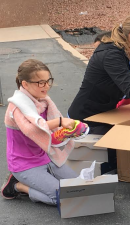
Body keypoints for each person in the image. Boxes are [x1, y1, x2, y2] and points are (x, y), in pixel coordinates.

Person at [0, 59, 87, 205]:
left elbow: (51, 134)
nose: (46, 86)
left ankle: (36, 182)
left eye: (48, 81)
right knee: (63, 198)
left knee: (80, 188)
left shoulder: (43, 101)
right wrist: (60, 121)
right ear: (25, 84)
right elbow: (33, 129)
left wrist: (71, 131)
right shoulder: (16, 106)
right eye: (40, 82)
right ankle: (17, 186)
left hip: (46, 157)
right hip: (24, 164)